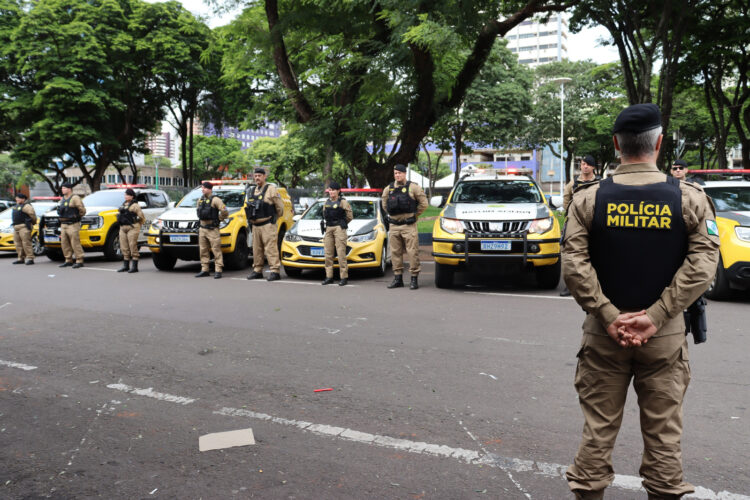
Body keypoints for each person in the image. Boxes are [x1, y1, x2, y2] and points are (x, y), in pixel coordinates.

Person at [563, 103, 720, 500]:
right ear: (659, 143)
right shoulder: (689, 198)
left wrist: (609, 315)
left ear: (616, 144)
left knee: (597, 432)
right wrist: (657, 315)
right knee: (665, 434)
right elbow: (704, 262)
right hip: (664, 339)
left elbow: (573, 263)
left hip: (603, 336)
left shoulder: (588, 199)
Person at [381, 163, 428, 289]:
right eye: (395, 173)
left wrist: (415, 215)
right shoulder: (388, 189)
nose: (397, 175)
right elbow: (384, 204)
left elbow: (424, 204)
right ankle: (398, 278)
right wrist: (391, 216)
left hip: (409, 225)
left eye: (399, 173)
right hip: (394, 226)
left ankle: (414, 279)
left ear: (404, 173)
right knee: (395, 253)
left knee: (412, 252)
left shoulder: (413, 187)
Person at [560, 155, 601, 296]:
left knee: (595, 254)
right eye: (583, 164)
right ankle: (570, 287)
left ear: (593, 167)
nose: (584, 167)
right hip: (576, 224)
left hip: (595, 223)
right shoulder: (573, 184)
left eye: (588, 164)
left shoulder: (600, 183)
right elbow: (566, 202)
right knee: (573, 255)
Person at [246, 167, 284, 281]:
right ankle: (257, 270)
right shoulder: (252, 190)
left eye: (259, 175)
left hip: (268, 224)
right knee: (256, 250)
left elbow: (279, 206)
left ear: (264, 176)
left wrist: (274, 218)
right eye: (255, 175)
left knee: (270, 248)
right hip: (255, 225)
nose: (257, 177)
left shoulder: (271, 189)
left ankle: (275, 271)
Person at [321, 181, 353, 286]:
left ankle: (343, 277)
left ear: (338, 191)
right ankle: (329, 276)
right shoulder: (326, 202)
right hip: (329, 227)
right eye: (330, 190)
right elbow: (324, 214)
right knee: (328, 254)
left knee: (341, 254)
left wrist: (341, 224)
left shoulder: (343, 202)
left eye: (333, 190)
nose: (331, 192)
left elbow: (349, 216)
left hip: (339, 228)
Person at [195, 181, 228, 279]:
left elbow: (224, 211)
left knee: (216, 250)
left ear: (210, 189)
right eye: (202, 188)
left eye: (204, 188)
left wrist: (219, 219)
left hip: (212, 229)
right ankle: (204, 269)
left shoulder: (215, 200)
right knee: (203, 250)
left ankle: (218, 270)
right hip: (202, 228)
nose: (202, 189)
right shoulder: (200, 200)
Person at [116, 188, 146, 273]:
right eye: (125, 195)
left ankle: (134, 266)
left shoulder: (135, 205)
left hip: (132, 227)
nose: (126, 196)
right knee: (123, 246)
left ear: (132, 196)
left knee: (132, 245)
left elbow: (141, 217)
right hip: (122, 227)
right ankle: (126, 265)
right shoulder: (123, 205)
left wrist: (137, 225)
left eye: (127, 195)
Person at [57, 182, 86, 268]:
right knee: (64, 243)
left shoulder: (75, 198)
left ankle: (79, 260)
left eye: (64, 188)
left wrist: (76, 217)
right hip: (63, 224)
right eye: (62, 188)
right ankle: (68, 260)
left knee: (75, 243)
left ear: (69, 189)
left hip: (73, 224)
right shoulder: (62, 199)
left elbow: (82, 210)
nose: (62, 190)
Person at [11, 193, 37, 265]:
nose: (17, 199)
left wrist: (32, 223)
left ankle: (30, 258)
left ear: (23, 199)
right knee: (17, 243)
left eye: (19, 198)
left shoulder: (27, 206)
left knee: (26, 243)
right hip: (16, 226)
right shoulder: (16, 206)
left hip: (24, 226)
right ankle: (21, 258)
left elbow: (32, 215)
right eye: (16, 198)